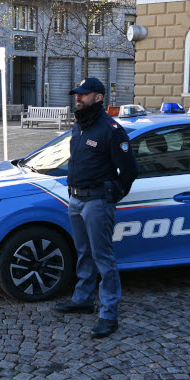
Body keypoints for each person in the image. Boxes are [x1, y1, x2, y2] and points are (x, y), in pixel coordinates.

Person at [54, 77, 137, 339]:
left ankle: (109, 314)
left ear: (98, 98)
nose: (78, 98)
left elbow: (130, 170)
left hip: (97, 201)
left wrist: (112, 195)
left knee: (103, 258)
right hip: (76, 199)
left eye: (84, 94)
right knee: (83, 253)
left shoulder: (111, 130)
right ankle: (83, 299)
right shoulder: (80, 126)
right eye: (77, 94)